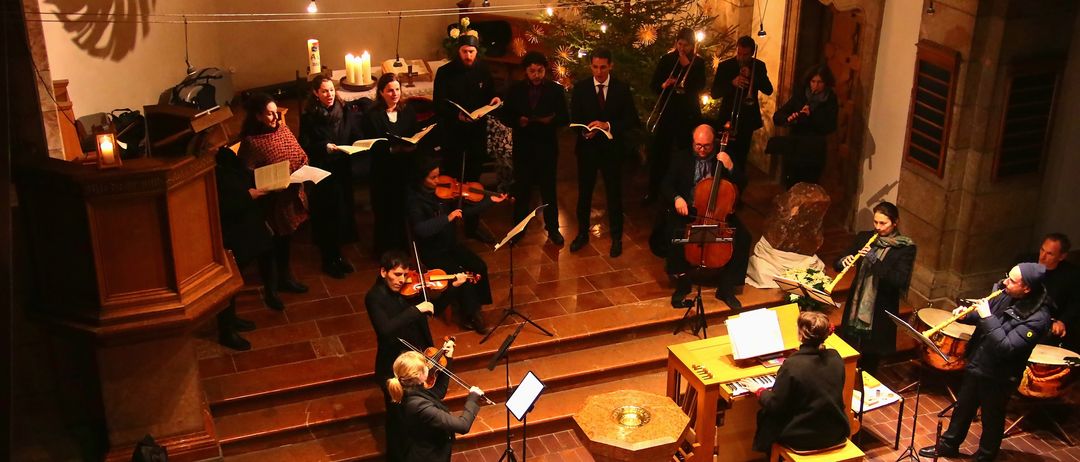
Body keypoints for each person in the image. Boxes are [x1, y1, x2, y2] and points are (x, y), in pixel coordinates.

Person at [920, 263, 1053, 462]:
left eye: (1012, 281)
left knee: (992, 418)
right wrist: (967, 315)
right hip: (979, 360)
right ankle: (949, 445)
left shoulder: (1038, 318)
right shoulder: (1006, 293)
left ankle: (985, 457)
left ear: (1026, 288)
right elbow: (985, 314)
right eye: (1008, 276)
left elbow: (1007, 347)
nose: (1005, 282)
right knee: (963, 407)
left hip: (1000, 375)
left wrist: (987, 316)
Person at [408, 157, 507, 334]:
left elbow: (464, 213)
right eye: (433, 178)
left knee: (479, 266)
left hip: (450, 245)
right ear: (421, 178)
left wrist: (490, 201)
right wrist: (447, 218)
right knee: (462, 274)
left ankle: (477, 305)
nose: (438, 181)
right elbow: (421, 229)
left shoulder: (443, 193)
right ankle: (471, 315)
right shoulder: (415, 201)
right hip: (433, 251)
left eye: (438, 176)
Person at [660, 124, 752, 310]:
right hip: (690, 210)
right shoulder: (681, 157)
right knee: (673, 232)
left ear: (714, 143)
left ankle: (726, 287)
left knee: (744, 237)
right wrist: (677, 198)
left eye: (706, 146)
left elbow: (742, 182)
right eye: (698, 145)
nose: (701, 150)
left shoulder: (724, 157)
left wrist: (731, 167)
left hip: (719, 212)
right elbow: (666, 184)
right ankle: (682, 282)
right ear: (693, 142)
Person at [742, 311, 849, 455]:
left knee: (768, 416)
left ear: (801, 335)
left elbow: (775, 405)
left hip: (802, 438)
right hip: (836, 431)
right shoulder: (835, 357)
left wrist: (759, 390)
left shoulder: (793, 364)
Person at [569, 48, 641, 258]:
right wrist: (584, 131)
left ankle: (617, 237)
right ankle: (582, 233)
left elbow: (631, 120)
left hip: (612, 150)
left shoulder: (621, 89)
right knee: (585, 194)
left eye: (603, 67)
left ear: (611, 66)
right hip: (588, 150)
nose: (599, 72)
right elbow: (574, 119)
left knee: (614, 194)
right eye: (595, 67)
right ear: (590, 66)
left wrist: (607, 125)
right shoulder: (581, 88)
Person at [366, 250, 437, 462]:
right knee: (398, 420)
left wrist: (453, 288)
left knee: (416, 418)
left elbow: (432, 308)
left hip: (415, 361)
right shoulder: (374, 297)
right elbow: (385, 329)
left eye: (405, 275)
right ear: (383, 272)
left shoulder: (410, 291)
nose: (402, 280)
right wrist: (416, 310)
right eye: (397, 274)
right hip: (393, 367)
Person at [237, 93, 310, 296]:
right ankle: (273, 284)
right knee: (272, 243)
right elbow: (246, 172)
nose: (275, 118)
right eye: (270, 114)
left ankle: (285, 277)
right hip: (270, 201)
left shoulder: (283, 130)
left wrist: (300, 168)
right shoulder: (251, 142)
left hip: (289, 195)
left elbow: (299, 154)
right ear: (258, 116)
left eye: (276, 113)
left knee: (286, 240)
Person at [432, 32, 502, 244]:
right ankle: (447, 226)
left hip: (475, 134)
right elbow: (438, 104)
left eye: (472, 52)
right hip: (453, 134)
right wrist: (457, 115)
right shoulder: (445, 72)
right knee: (449, 181)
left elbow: (491, 93)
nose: (468, 56)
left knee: (473, 183)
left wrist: (494, 99)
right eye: (465, 52)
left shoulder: (482, 69)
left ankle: (472, 226)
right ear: (458, 51)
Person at [835, 201, 915, 374]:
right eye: (875, 222)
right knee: (848, 352)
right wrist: (843, 261)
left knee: (870, 362)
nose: (878, 227)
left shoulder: (905, 248)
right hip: (856, 305)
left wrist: (873, 259)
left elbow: (898, 281)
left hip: (880, 309)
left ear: (895, 222)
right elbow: (839, 260)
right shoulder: (864, 237)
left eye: (883, 223)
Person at [500, 51, 569, 245]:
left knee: (548, 189)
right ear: (525, 71)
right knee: (522, 188)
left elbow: (565, 117)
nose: (536, 75)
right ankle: (518, 229)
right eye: (532, 71)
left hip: (547, 146)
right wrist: (518, 120)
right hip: (524, 146)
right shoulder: (515, 90)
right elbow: (505, 115)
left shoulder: (555, 90)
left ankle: (553, 229)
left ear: (545, 70)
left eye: (540, 71)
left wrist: (551, 120)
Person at [298, 74, 363, 279]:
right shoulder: (309, 117)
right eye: (324, 91)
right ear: (316, 93)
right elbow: (305, 144)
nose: (329, 95)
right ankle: (328, 259)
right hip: (323, 171)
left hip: (342, 169)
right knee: (327, 216)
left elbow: (354, 133)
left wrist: (358, 144)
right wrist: (324, 147)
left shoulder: (344, 110)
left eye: (332, 90)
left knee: (341, 214)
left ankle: (339, 256)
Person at [365, 73, 431, 255]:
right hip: (383, 172)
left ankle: (404, 246)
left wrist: (412, 145)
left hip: (405, 169)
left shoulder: (407, 111)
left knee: (404, 209)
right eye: (389, 90)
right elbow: (370, 143)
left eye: (397, 89)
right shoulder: (373, 115)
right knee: (385, 211)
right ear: (381, 92)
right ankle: (384, 250)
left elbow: (415, 135)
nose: (394, 94)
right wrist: (392, 149)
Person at [212, 145, 271, 351]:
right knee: (228, 280)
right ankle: (226, 330)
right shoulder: (208, 168)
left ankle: (231, 319)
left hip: (243, 226)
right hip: (228, 230)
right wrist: (247, 196)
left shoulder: (224, 155)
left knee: (236, 277)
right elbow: (219, 203)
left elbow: (239, 175)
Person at [387, 350, 483, 462]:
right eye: (425, 366)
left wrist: (448, 359)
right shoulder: (418, 405)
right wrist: (472, 398)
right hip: (430, 456)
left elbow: (439, 393)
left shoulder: (409, 388)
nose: (428, 366)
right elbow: (463, 426)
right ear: (419, 375)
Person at [646, 28, 706, 203]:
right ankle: (654, 191)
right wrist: (664, 84)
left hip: (688, 115)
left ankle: (685, 193)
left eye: (686, 45)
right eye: (679, 44)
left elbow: (700, 86)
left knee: (686, 154)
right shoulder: (667, 59)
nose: (682, 48)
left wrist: (687, 66)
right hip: (668, 112)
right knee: (660, 153)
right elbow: (654, 85)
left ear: (692, 46)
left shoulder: (698, 62)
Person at [710, 35, 773, 177]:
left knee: (741, 156)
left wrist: (752, 77)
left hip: (747, 118)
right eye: (739, 53)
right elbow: (714, 93)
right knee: (724, 154)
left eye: (745, 55)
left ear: (752, 53)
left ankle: (737, 186)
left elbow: (768, 90)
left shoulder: (759, 66)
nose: (741, 58)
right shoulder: (725, 66)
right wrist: (732, 83)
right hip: (727, 116)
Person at [771, 64, 838, 189]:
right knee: (791, 185)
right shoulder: (801, 95)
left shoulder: (830, 100)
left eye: (820, 82)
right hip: (795, 147)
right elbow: (778, 115)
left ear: (826, 83)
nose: (816, 86)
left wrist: (811, 115)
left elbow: (830, 126)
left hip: (814, 150)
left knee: (809, 187)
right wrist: (789, 118)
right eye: (813, 81)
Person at [1018, 233, 1079, 351]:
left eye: (1050, 253)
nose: (1042, 256)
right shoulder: (1025, 264)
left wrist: (1062, 321)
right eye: (1042, 250)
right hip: (1021, 318)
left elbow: (1075, 303)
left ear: (1061, 257)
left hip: (1048, 325)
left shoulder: (1072, 275)